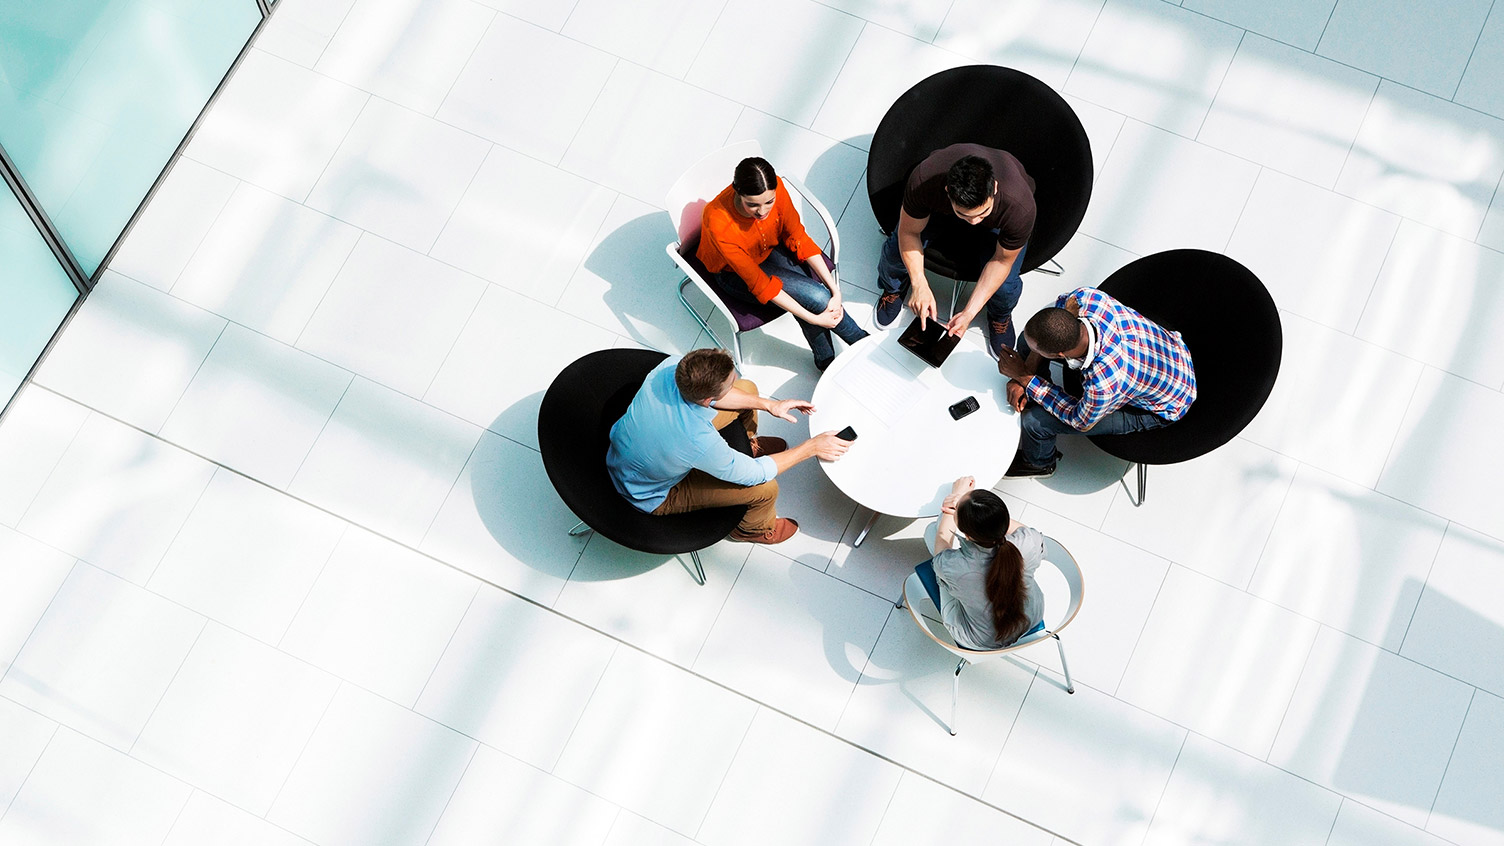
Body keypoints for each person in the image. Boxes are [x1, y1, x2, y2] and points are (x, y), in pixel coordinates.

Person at [606, 348, 852, 544]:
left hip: (640, 447)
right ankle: (752, 530)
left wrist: (769, 405)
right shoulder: (698, 440)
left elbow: (722, 398)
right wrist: (812, 447)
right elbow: (755, 475)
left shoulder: (671, 366)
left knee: (749, 391)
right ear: (707, 400)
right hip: (650, 493)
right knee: (766, 489)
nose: (735, 382)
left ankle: (748, 446)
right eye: (728, 384)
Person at [996, 286, 1196, 479]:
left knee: (1034, 422)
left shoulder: (1104, 384)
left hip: (1163, 405)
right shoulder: (1087, 298)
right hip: (1166, 354)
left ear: (1060, 355)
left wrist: (1025, 378)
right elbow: (1058, 313)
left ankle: (1040, 464)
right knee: (1025, 341)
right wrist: (1026, 377)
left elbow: (1079, 420)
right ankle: (1035, 393)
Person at [697, 157, 868, 371]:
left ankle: (827, 361)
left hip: (766, 248)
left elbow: (798, 237)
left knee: (819, 295)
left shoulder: (776, 186)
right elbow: (761, 285)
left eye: (769, 202)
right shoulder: (718, 222)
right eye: (752, 205)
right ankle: (862, 344)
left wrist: (835, 289)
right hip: (734, 274)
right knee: (817, 297)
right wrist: (814, 319)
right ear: (737, 192)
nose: (762, 211)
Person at [874, 143, 1036, 359]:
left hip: (998, 223)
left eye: (982, 213)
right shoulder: (924, 181)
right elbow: (909, 233)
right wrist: (919, 284)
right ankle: (892, 290)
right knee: (895, 252)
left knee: (1006, 287)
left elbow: (1001, 262)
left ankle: (999, 316)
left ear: (994, 188)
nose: (974, 223)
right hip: (940, 212)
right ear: (948, 192)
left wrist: (969, 313)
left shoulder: (1019, 208)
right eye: (965, 215)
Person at [913, 475, 1046, 650]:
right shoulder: (1029, 541)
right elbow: (1019, 529)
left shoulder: (955, 567)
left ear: (967, 535)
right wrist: (970, 509)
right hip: (1031, 616)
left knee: (932, 531)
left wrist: (956, 499)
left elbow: (942, 540)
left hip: (982, 641)